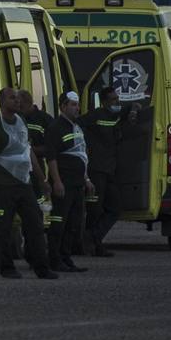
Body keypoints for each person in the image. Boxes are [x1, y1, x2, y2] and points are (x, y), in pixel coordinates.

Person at [0, 87, 58, 279]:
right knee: (3, 228)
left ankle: (41, 267)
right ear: (1, 102)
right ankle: (6, 267)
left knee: (35, 225)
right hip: (3, 186)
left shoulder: (22, 122)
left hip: (25, 184)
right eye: (12, 98)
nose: (17, 101)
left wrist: (42, 180)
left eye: (17, 98)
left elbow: (28, 151)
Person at [79, 85, 133, 257]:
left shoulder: (116, 116)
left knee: (114, 208)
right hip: (96, 170)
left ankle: (93, 238)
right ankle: (91, 243)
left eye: (118, 99)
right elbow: (76, 124)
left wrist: (135, 109)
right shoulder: (94, 116)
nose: (117, 102)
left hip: (110, 170)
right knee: (95, 209)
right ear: (103, 102)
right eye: (113, 100)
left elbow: (130, 109)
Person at [45, 91, 95, 273]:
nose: (77, 108)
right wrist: (56, 181)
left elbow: (81, 154)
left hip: (77, 184)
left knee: (73, 223)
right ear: (63, 107)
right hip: (64, 183)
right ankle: (54, 259)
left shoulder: (76, 127)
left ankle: (66, 258)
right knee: (59, 222)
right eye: (72, 104)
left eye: (77, 104)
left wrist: (86, 179)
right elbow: (51, 157)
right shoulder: (55, 127)